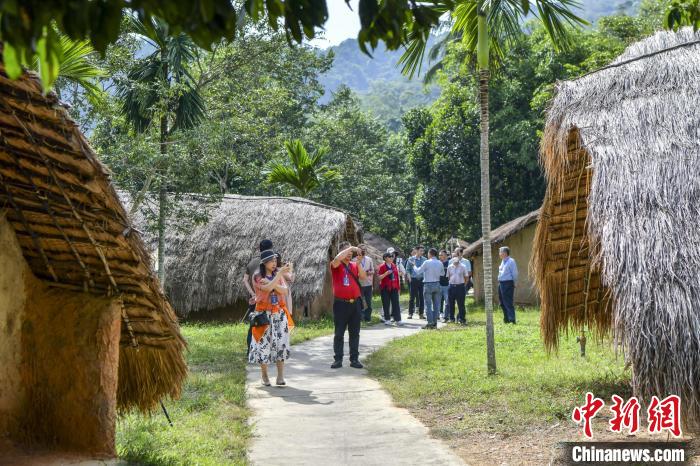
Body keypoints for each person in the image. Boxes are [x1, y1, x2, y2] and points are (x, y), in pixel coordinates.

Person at [249, 250, 295, 386]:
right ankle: (264, 376)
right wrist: (276, 280)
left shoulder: (277, 275)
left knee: (281, 344)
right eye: (271, 261)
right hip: (263, 315)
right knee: (263, 345)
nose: (274, 263)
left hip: (279, 314)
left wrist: (274, 281)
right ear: (264, 262)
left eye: (275, 261)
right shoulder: (257, 276)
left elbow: (285, 290)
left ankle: (280, 377)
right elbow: (267, 288)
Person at [330, 242, 367, 369]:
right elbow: (336, 260)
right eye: (347, 251)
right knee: (339, 333)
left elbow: (363, 277)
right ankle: (338, 359)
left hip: (355, 303)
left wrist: (358, 263)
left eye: (351, 252)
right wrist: (351, 247)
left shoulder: (354, 265)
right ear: (341, 252)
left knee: (355, 333)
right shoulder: (336, 265)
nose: (350, 253)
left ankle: (354, 359)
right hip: (341, 304)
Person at [412, 248, 443, 329]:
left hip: (428, 284)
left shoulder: (427, 262)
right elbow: (442, 273)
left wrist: (414, 266)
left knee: (428, 305)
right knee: (436, 305)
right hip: (437, 283)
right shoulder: (440, 262)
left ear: (430, 254)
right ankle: (435, 323)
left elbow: (418, 271)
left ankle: (430, 322)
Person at [377, 252, 402, 326]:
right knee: (386, 303)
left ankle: (398, 320)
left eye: (392, 256)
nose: (392, 258)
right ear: (385, 258)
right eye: (390, 257)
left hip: (394, 287)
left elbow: (397, 277)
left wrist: (398, 287)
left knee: (396, 303)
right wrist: (386, 273)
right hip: (385, 288)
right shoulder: (381, 266)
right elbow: (378, 278)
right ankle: (387, 319)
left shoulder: (394, 265)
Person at [498, 246, 518, 324]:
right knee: (502, 302)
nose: (499, 254)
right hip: (501, 283)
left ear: (505, 253)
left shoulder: (511, 261)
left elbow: (515, 273)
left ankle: (512, 320)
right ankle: (506, 319)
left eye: (501, 252)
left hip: (508, 283)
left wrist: (515, 282)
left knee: (508, 302)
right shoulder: (503, 261)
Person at [447, 257, 470, 324]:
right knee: (451, 303)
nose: (455, 263)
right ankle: (451, 318)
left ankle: (462, 319)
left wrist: (463, 285)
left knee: (461, 304)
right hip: (451, 286)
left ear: (459, 261)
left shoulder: (463, 266)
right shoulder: (450, 267)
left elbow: (466, 277)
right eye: (454, 262)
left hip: (460, 286)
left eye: (457, 262)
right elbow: (448, 277)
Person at [406, 246, 426, 319]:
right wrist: (409, 278)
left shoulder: (424, 259)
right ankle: (410, 313)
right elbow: (407, 270)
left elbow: (425, 270)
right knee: (412, 297)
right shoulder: (411, 259)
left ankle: (421, 314)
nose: (422, 252)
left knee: (421, 297)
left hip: (422, 280)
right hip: (413, 280)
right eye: (421, 251)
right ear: (416, 251)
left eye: (423, 251)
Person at [357, 244, 375, 322]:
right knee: (360, 302)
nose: (363, 251)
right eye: (362, 249)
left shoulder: (369, 259)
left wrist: (369, 272)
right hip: (359, 284)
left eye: (364, 249)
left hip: (368, 284)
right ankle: (360, 317)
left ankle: (368, 318)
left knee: (368, 302)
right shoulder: (355, 260)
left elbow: (373, 271)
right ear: (358, 250)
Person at [438, 250, 450, 322]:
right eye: (439, 255)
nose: (440, 256)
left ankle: (446, 315)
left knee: (447, 301)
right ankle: (440, 313)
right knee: (439, 301)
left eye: (441, 255)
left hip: (447, 285)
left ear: (445, 255)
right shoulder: (438, 263)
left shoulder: (449, 263)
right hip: (439, 285)